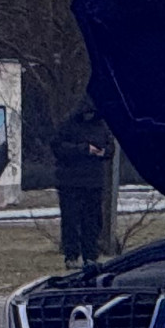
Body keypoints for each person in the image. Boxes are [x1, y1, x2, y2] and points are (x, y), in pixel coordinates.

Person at [50, 103, 113, 268]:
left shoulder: (101, 126)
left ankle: (91, 255)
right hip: (70, 183)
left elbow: (110, 148)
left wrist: (103, 152)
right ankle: (71, 256)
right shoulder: (68, 125)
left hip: (94, 182)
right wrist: (83, 149)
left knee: (92, 221)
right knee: (71, 221)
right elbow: (58, 147)